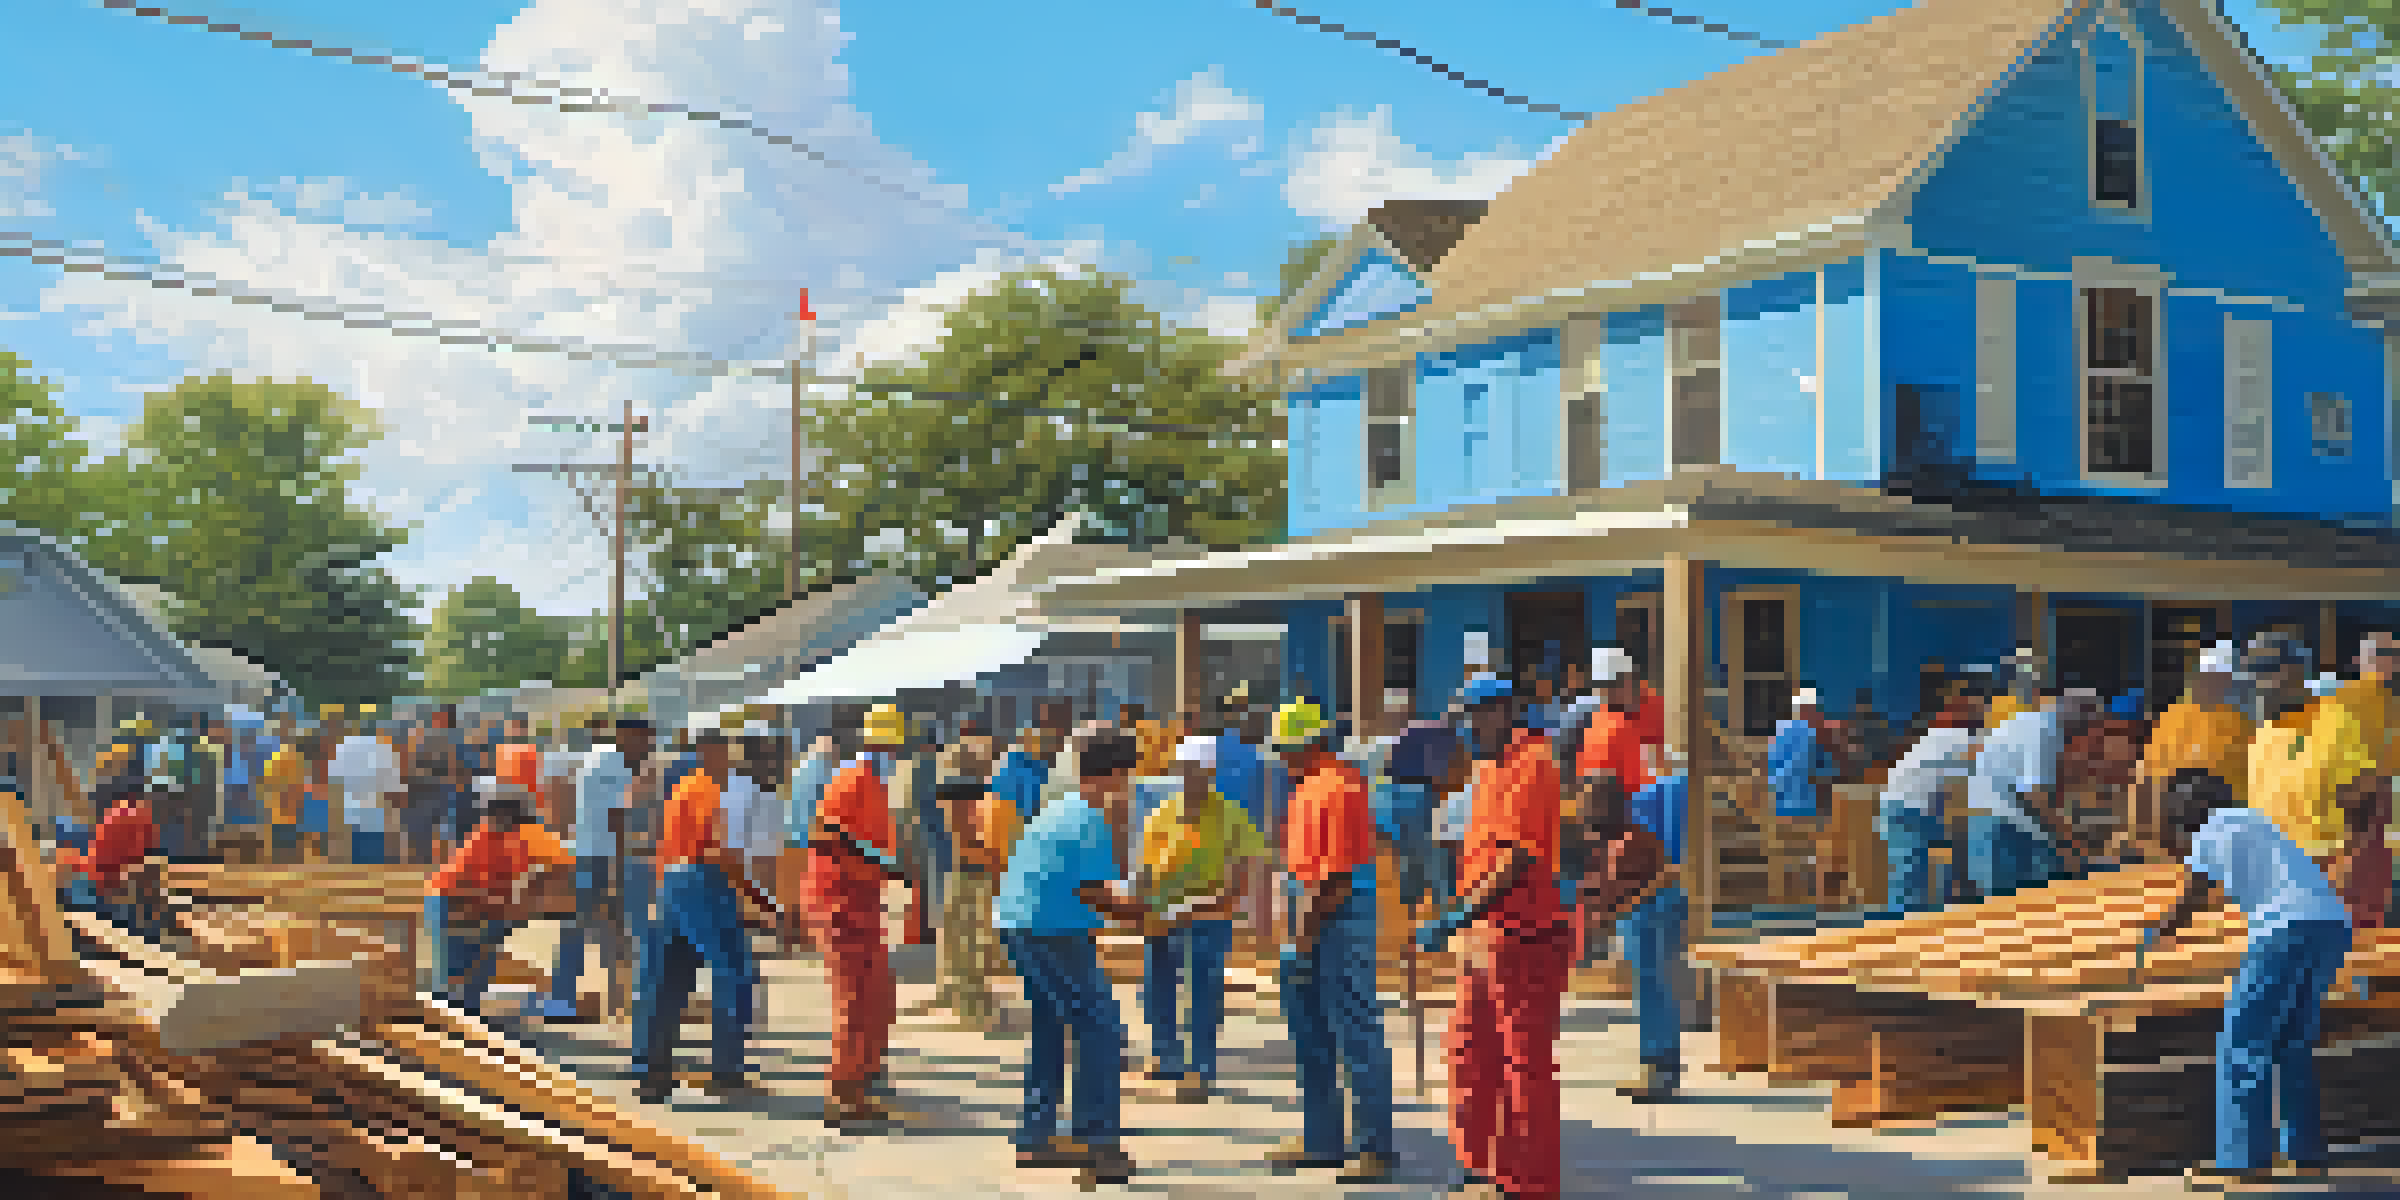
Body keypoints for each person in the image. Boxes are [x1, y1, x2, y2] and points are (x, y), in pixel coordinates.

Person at [2130, 769, 2353, 1190]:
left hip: (2284, 930)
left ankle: (2241, 1159)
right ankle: (2302, 1153)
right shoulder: (2256, 821)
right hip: (2329, 925)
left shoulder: (2210, 831)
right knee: (2292, 1043)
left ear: (2188, 811)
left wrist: (2154, 934)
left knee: (2243, 1043)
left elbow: (2192, 897)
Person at [1416, 675, 1567, 1200]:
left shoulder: (1533, 765)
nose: (1468, 729)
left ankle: (1526, 1181)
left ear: (1504, 712)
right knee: (1468, 1050)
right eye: (1464, 719)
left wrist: (1455, 916)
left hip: (1526, 933)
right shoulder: (1490, 770)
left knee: (1521, 1062)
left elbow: (1518, 860)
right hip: (1488, 933)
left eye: (1476, 717)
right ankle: (1480, 1167)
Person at [991, 729, 1150, 1182]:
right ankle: (1098, 1142)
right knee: (1100, 1030)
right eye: (1127, 779)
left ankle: (1037, 1136)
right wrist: (1149, 916)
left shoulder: (1061, 809)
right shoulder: (1087, 818)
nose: (1128, 790)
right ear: (1115, 777)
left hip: (1023, 924)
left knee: (1051, 1024)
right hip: (1053, 929)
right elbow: (1098, 893)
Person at [1265, 700, 1395, 1182]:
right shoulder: (1312, 787)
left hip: (1334, 918)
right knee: (1313, 1034)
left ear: (1308, 744)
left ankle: (1372, 1147)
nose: (1278, 758)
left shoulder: (1335, 788)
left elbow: (1332, 881)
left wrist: (1300, 944)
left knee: (1354, 1031)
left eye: (1283, 748)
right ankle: (1322, 1139)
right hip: (1315, 914)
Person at [633, 725, 769, 1102]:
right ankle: (727, 1071)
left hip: (670, 885)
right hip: (702, 881)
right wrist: (760, 898)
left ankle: (652, 1075)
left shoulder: (682, 789)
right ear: (714, 751)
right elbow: (717, 852)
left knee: (664, 981)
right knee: (735, 973)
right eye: (732, 750)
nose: (737, 759)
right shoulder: (709, 791)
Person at [1135, 733, 1269, 1104]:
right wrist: (1141, 908)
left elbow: (1241, 875)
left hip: (1208, 914)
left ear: (1210, 772)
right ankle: (1166, 1055)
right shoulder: (1162, 813)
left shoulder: (1230, 816)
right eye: (1184, 771)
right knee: (1157, 985)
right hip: (1163, 914)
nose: (1189, 778)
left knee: (1203, 992)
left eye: (1196, 771)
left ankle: (1200, 1069)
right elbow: (1146, 868)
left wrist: (1223, 906)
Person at [801, 703, 912, 1125]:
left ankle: (864, 1078)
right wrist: (877, 862)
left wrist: (885, 867)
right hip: (838, 899)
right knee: (853, 996)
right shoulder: (853, 779)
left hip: (861, 898)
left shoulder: (873, 783)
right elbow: (825, 832)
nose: (893, 754)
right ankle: (844, 1093)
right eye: (890, 746)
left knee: (876, 990)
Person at [423, 784, 574, 1014]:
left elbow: (531, 878)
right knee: (453, 973)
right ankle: (451, 1019)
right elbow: (476, 890)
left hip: (468, 903)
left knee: (474, 969)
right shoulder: (489, 841)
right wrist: (506, 913)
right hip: (449, 902)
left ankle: (465, 1016)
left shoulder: (512, 840)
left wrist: (512, 910)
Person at [2242, 632, 2367, 860]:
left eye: (2264, 669)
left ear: (2295, 670)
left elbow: (2367, 806)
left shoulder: (2338, 722)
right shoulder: (2262, 734)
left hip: (2326, 874)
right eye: (2251, 672)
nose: (2255, 680)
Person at [546, 716, 633, 1022]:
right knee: (605, 925)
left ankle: (566, 997)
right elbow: (616, 817)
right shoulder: (615, 761)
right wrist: (619, 868)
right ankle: (623, 996)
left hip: (584, 852)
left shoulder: (593, 758)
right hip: (600, 856)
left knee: (587, 927)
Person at [1963, 687, 2085, 899]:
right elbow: (2035, 794)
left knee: (2006, 903)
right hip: (2001, 823)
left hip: (1987, 816)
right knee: (2020, 901)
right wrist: (2068, 838)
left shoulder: (2029, 722)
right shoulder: (2045, 730)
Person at [2133, 642, 2253, 850]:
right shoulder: (2173, 719)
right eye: (2211, 677)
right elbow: (2148, 777)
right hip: (2178, 828)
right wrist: (2147, 835)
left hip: (2230, 831)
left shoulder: (2247, 723)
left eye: (2224, 678)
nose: (2216, 685)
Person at [2318, 633, 2399, 931]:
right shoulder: (2340, 700)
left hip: (2376, 808)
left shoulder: (2391, 704)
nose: (2388, 660)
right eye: (2381, 652)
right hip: (2351, 806)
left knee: (2370, 896)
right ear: (2359, 660)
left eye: (2393, 653)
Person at [1876, 688, 1982, 915]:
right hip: (1913, 807)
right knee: (1913, 876)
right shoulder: (1962, 741)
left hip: (1892, 801)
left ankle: (1905, 926)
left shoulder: (1935, 736)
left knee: (1906, 875)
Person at [933, 716, 1004, 1030]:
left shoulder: (958, 766)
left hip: (966, 865)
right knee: (971, 941)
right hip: (972, 867)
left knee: (962, 939)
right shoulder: (965, 772)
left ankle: (963, 1001)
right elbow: (963, 831)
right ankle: (972, 1008)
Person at [1767, 688, 1838, 903]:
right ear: (1809, 709)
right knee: (1819, 854)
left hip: (1780, 807)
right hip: (1807, 805)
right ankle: (1820, 899)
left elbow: (1771, 772)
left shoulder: (1778, 734)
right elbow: (1824, 772)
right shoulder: (1811, 734)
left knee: (1785, 857)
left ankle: (1784, 897)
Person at [330, 712, 401, 865]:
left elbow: (334, 780)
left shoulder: (344, 746)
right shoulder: (384, 748)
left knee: (354, 864)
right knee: (375, 862)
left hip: (350, 812)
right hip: (376, 814)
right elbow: (393, 785)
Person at [406, 706, 469, 866]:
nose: (434, 718)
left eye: (438, 716)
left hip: (442, 788)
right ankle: (429, 859)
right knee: (431, 826)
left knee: (441, 827)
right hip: (431, 787)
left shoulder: (450, 738)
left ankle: (438, 860)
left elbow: (456, 767)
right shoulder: (430, 736)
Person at [262, 713, 310, 866]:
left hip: (283, 814)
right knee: (288, 856)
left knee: (281, 856)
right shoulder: (291, 758)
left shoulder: (278, 758)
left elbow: (268, 786)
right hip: (287, 813)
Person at [993, 725, 1051, 823]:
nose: (1033, 743)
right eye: (1029, 739)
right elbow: (1000, 785)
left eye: (1037, 741)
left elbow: (1044, 788)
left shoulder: (1041, 764)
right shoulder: (1012, 760)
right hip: (1010, 810)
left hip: (1032, 812)